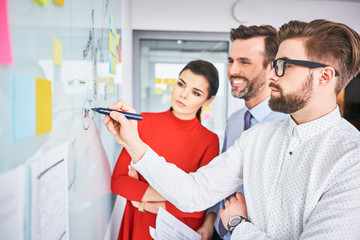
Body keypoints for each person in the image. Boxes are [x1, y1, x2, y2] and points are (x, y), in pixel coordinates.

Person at [105, 19, 360, 239]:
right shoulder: (257, 138)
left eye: (283, 65)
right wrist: (132, 142)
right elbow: (194, 193)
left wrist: (238, 226)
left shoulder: (351, 160)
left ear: (325, 77)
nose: (272, 76)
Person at [110, 60, 220, 240]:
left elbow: (198, 210)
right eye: (181, 84)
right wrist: (179, 195)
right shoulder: (143, 121)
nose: (183, 94)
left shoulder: (209, 141)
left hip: (177, 231)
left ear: (208, 100)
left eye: (196, 92)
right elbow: (119, 182)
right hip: (139, 226)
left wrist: (142, 201)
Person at [197, 24, 288, 240]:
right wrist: (211, 219)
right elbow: (223, 179)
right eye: (231, 61)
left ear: (273, 68)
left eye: (244, 62)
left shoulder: (290, 125)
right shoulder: (234, 121)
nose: (232, 71)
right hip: (220, 232)